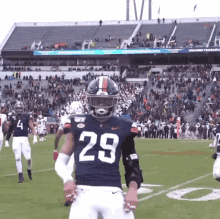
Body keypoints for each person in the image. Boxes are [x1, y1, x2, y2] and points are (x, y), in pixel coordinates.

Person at [55, 76, 143, 219]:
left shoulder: (124, 126)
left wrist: (132, 190)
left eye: (106, 101)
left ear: (114, 101)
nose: (101, 105)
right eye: (97, 100)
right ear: (89, 100)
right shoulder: (76, 123)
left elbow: (132, 164)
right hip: (82, 192)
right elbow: (61, 161)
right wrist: (67, 179)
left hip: (113, 192)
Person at [5, 101, 38, 183]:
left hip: (24, 139)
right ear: (15, 109)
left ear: (22, 109)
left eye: (20, 108)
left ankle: (29, 169)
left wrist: (34, 136)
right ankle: (20, 176)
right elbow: (9, 130)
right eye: (17, 108)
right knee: (18, 158)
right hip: (16, 139)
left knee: (28, 159)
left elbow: (32, 126)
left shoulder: (27, 116)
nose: (19, 110)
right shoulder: (12, 117)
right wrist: (6, 140)